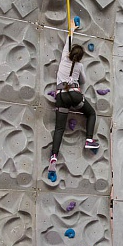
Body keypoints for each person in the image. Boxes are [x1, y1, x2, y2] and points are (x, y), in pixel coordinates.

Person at [48, 21, 99, 178]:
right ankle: (89, 140)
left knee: (59, 128)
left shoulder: (64, 58)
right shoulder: (80, 66)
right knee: (91, 113)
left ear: (70, 53)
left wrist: (71, 29)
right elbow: (83, 81)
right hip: (75, 95)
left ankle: (54, 156)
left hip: (61, 95)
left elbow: (68, 41)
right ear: (80, 57)